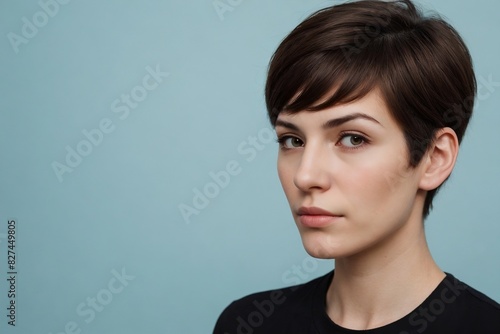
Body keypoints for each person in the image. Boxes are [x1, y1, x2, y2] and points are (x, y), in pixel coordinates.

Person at [213, 0, 500, 333]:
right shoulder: (247, 323)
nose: (306, 176)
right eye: (292, 140)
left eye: (352, 139)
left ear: (435, 158)